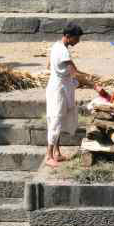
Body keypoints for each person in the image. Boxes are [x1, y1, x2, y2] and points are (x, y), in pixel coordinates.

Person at [45, 23, 92, 167]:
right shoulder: (63, 52)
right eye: (76, 38)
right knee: (56, 121)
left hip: (59, 86)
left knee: (57, 121)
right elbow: (74, 73)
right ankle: (48, 156)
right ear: (68, 36)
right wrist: (92, 83)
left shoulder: (56, 46)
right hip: (58, 90)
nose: (78, 41)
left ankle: (57, 152)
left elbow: (50, 66)